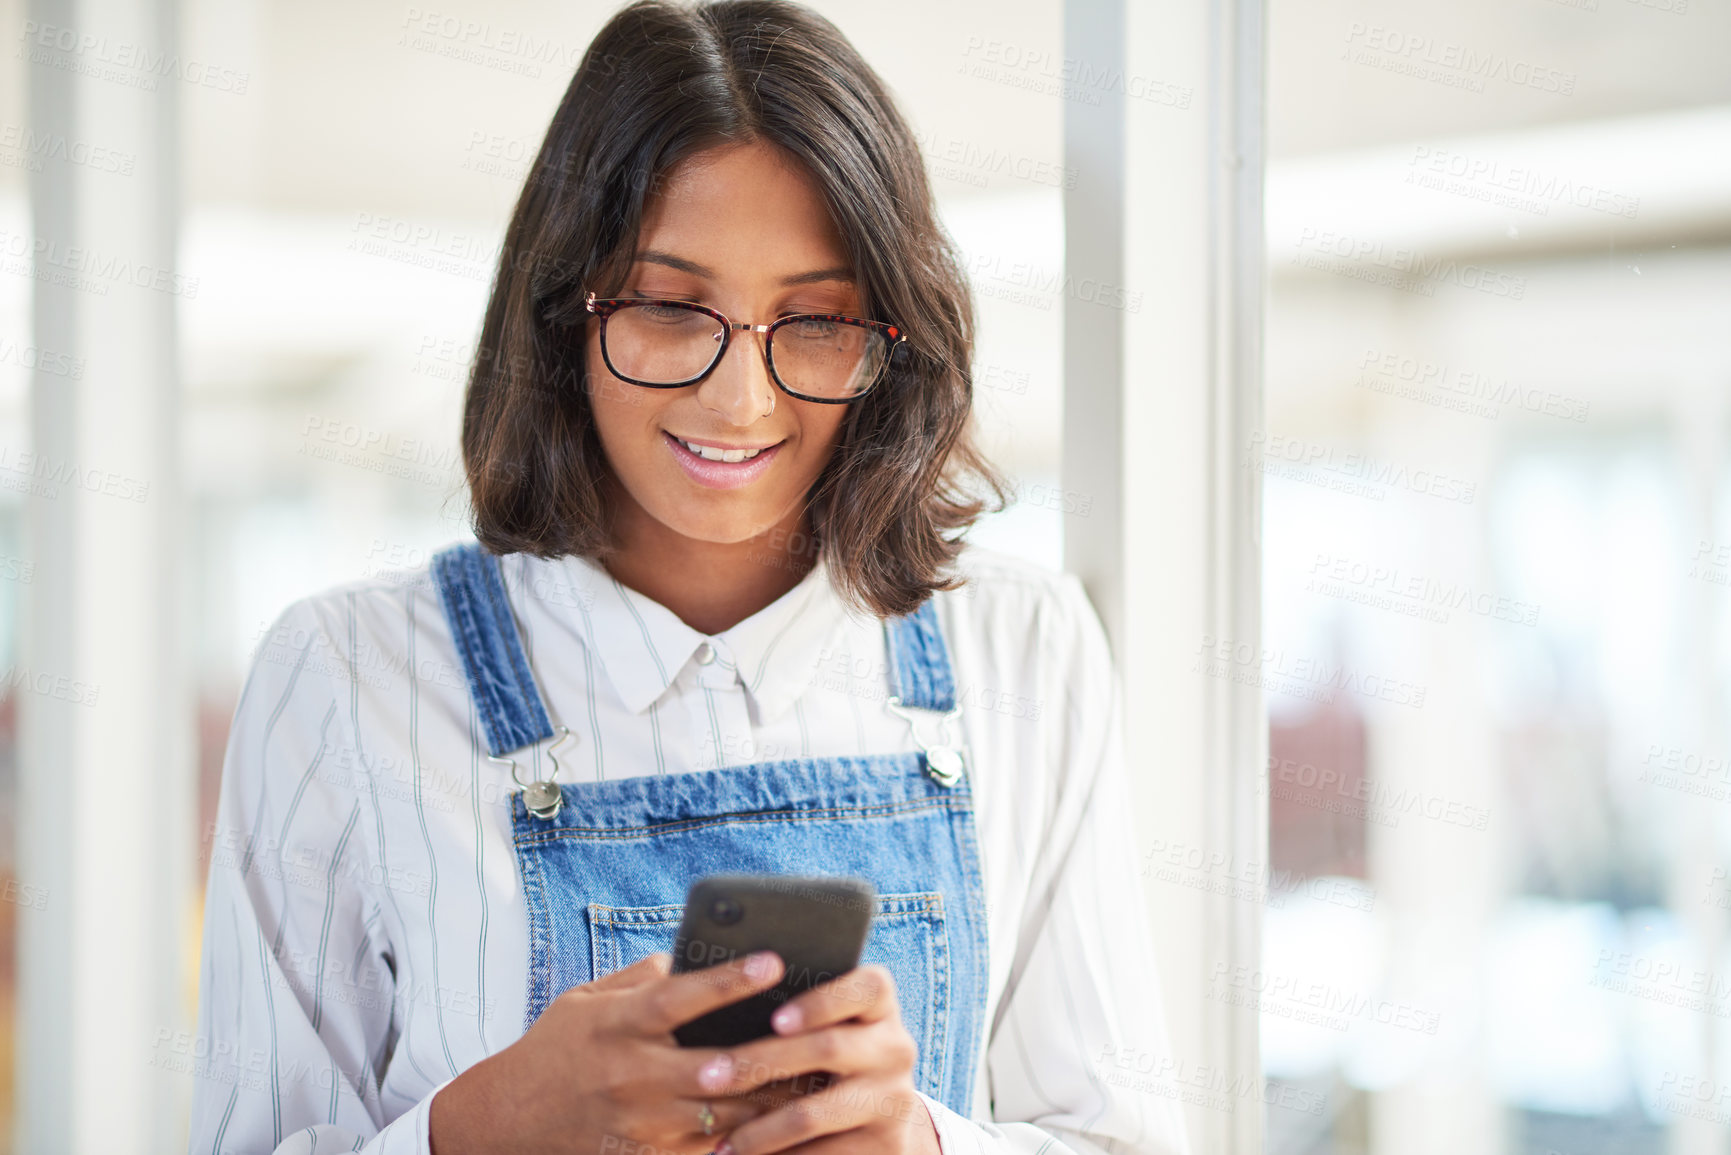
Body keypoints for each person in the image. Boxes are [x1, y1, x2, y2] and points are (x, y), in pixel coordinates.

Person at [187, 2, 1189, 1154]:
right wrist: (481, 1129)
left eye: (814, 320)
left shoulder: (1025, 651)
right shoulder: (344, 679)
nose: (741, 401)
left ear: (890, 338)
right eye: (671, 308)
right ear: (564, 310)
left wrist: (922, 1141)